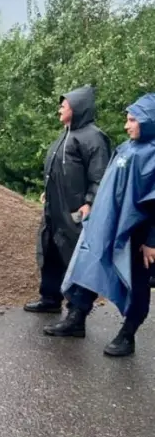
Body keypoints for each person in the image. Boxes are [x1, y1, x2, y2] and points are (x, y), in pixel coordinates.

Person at [45, 93, 155, 357]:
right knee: (90, 267)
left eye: (132, 120)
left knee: (137, 283)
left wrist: (152, 241)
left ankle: (127, 334)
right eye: (127, 120)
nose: (127, 126)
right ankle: (76, 319)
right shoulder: (127, 148)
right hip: (108, 225)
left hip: (138, 233)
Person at [25, 85, 112, 313]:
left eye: (63, 106)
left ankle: (76, 314)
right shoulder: (67, 134)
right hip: (56, 209)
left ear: (77, 108)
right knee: (51, 252)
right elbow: (59, 170)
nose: (59, 110)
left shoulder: (93, 137)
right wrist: (49, 190)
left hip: (75, 212)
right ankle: (50, 299)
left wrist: (90, 202)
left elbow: (99, 175)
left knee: (75, 259)